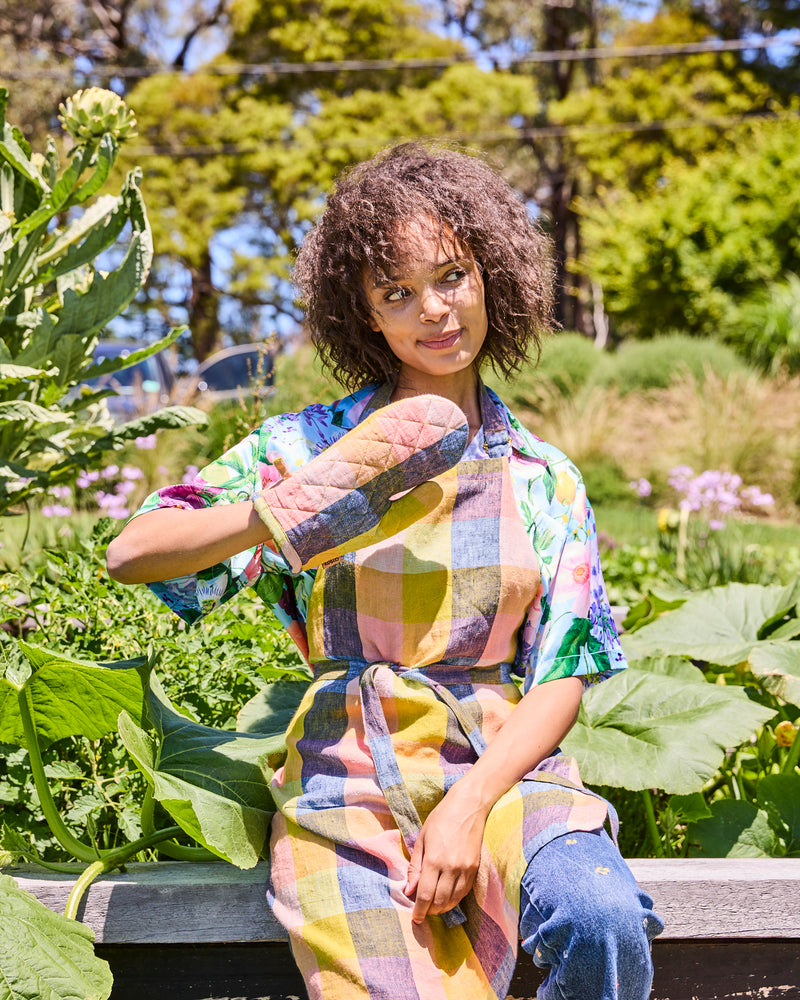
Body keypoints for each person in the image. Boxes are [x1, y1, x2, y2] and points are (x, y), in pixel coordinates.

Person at [107, 143, 663, 1000]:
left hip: (500, 766)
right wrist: (278, 514)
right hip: (347, 773)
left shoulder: (542, 476)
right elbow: (133, 553)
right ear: (364, 315)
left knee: (599, 917)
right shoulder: (303, 449)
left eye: (452, 276)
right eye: (396, 293)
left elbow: (563, 671)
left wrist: (468, 807)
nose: (433, 311)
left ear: (492, 278)